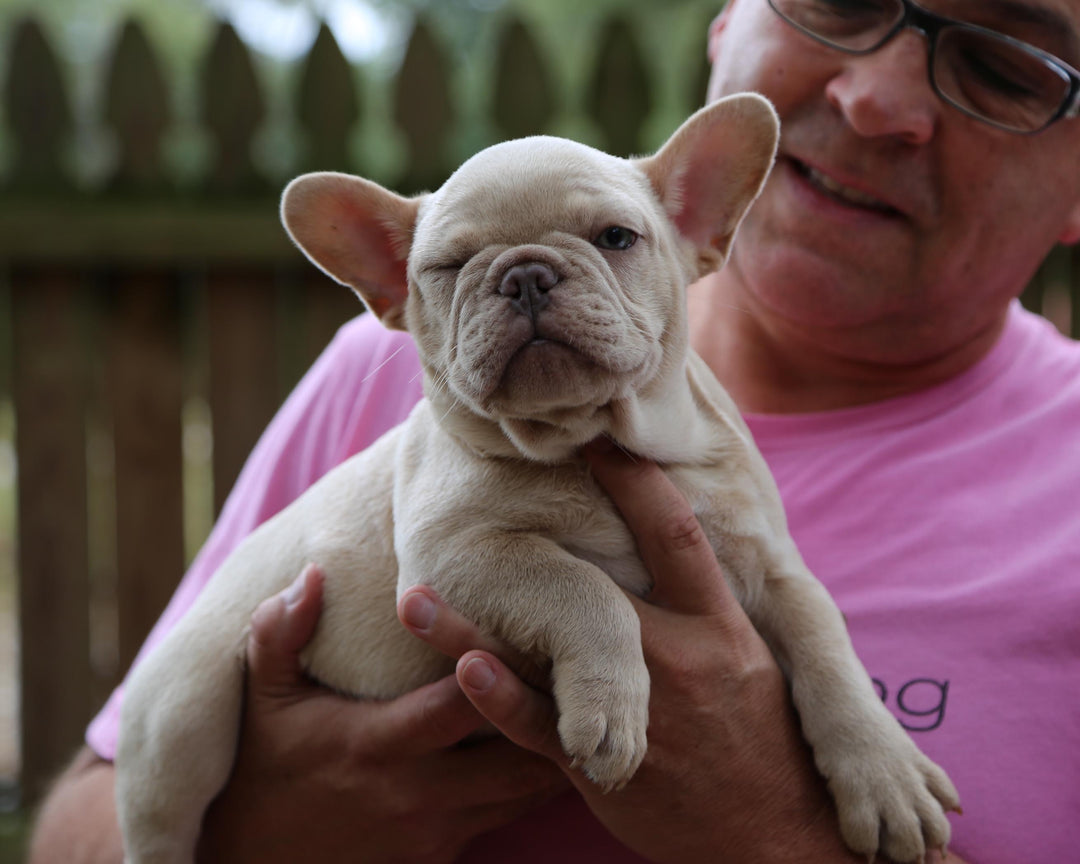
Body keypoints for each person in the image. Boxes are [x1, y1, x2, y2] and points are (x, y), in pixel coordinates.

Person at [28, 0, 1080, 860]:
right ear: (392, 289)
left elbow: (782, 590)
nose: (875, 97)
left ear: (697, 222)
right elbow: (82, 819)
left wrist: (777, 826)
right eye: (456, 268)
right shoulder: (366, 389)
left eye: (1006, 64)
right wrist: (248, 839)